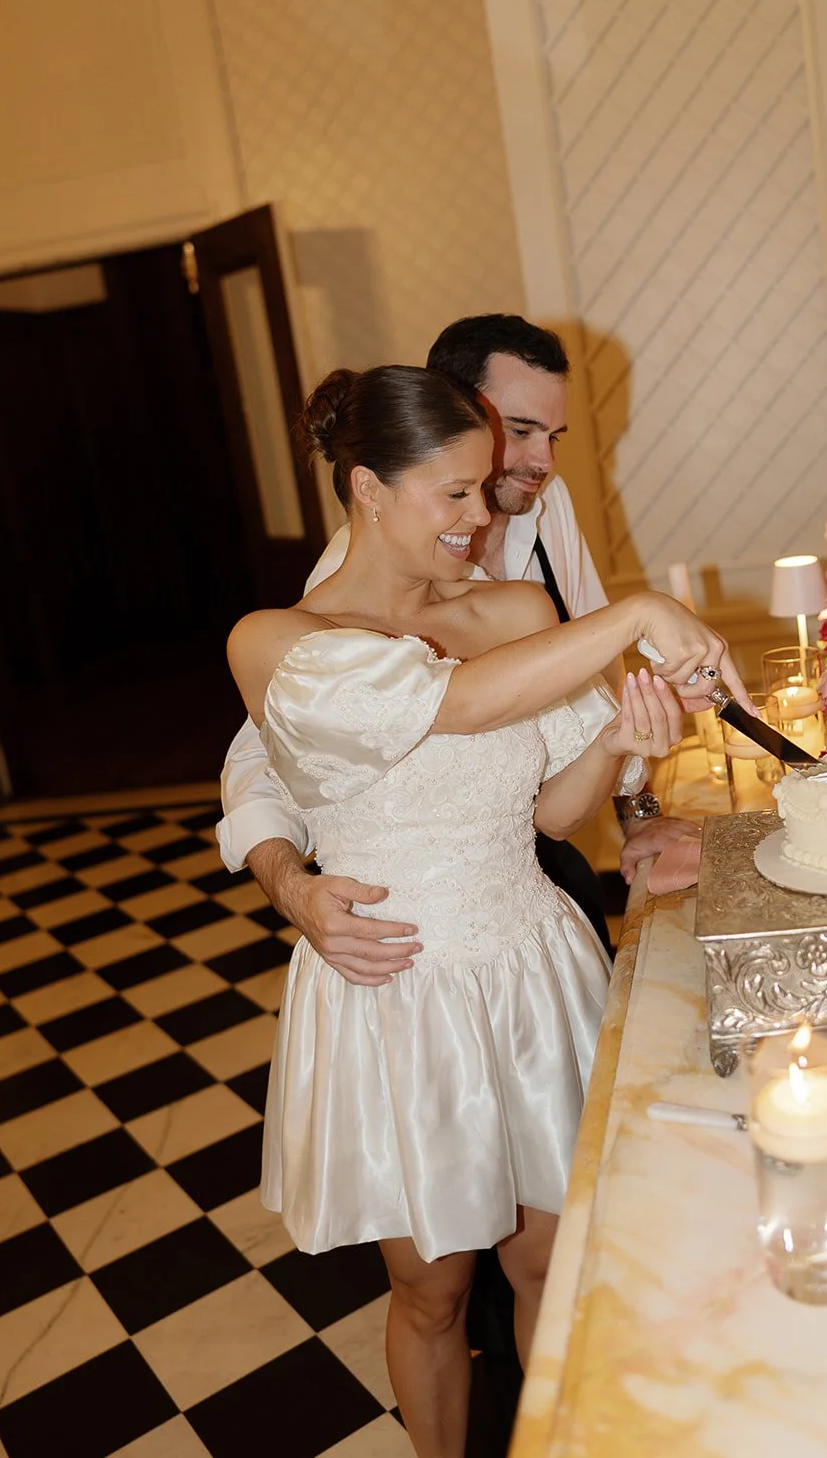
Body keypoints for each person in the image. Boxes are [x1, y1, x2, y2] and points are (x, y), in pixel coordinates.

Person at [226, 364, 745, 1458]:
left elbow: (551, 812)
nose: (481, 516)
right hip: (399, 987)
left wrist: (618, 740)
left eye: (484, 489)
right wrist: (635, 615)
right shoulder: (279, 644)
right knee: (431, 1294)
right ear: (367, 488)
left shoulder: (510, 609)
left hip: (529, 962)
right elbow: (451, 707)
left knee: (554, 1265)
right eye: (453, 493)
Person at [218, 315, 699, 987]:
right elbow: (264, 767)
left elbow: (556, 803)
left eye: (552, 436)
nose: (538, 462)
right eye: (519, 432)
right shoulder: (300, 635)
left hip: (538, 937)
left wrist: (620, 744)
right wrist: (290, 887)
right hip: (393, 974)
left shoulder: (536, 537)